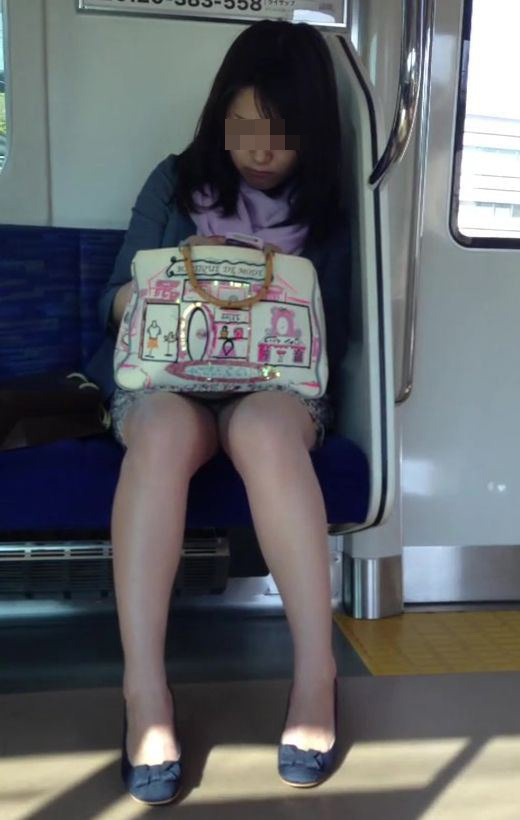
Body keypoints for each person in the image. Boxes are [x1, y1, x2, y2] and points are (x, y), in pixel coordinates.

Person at [86, 19, 350, 804]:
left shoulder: (329, 208)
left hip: (272, 388)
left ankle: (317, 677)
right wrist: (164, 284)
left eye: (281, 134)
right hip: (170, 382)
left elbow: (336, 330)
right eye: (244, 128)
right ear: (219, 116)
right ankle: (145, 693)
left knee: (266, 431)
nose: (260, 152)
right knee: (162, 432)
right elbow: (110, 302)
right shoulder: (176, 183)